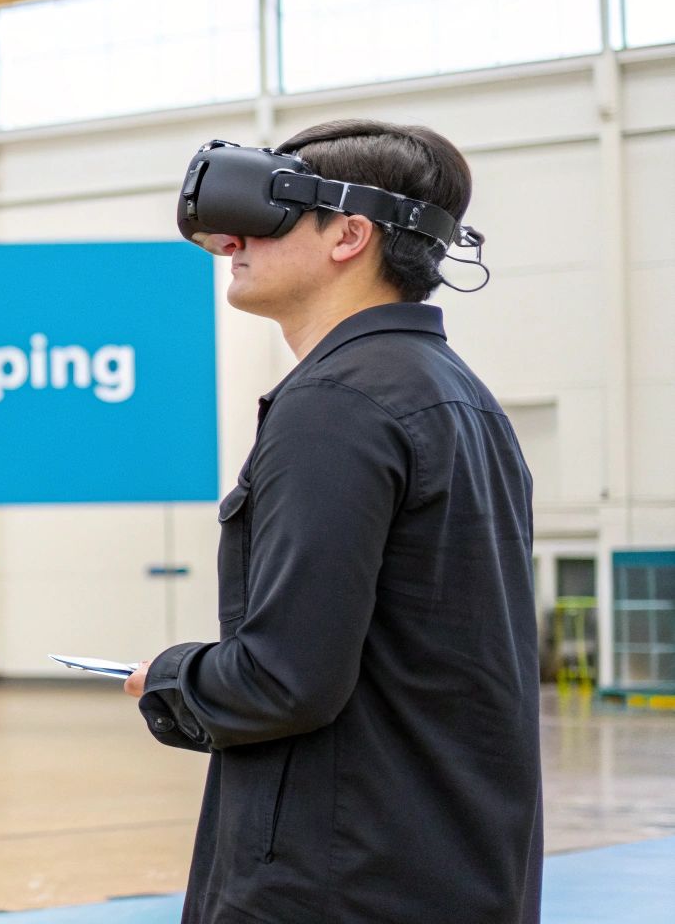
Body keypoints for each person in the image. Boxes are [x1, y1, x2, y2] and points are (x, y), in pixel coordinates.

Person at [125, 120, 542, 922]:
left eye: (273, 213)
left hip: (338, 880)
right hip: (452, 869)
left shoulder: (336, 404)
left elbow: (285, 680)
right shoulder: (460, 399)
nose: (233, 240)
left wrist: (171, 677)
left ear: (350, 235)